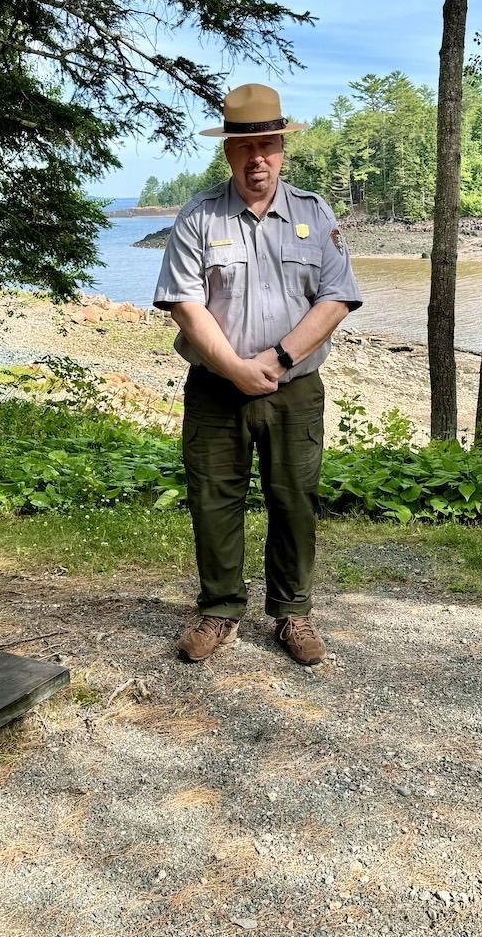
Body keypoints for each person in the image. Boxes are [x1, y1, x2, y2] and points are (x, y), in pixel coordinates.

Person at [153, 84, 363, 665]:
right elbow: (185, 305)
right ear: (228, 153)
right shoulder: (198, 217)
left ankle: (292, 613)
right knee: (213, 499)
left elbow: (337, 298)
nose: (257, 159)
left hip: (294, 389)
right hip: (216, 390)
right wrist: (237, 368)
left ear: (282, 148)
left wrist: (278, 360)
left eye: (267, 144)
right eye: (245, 148)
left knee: (294, 498)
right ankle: (219, 609)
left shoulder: (315, 214)